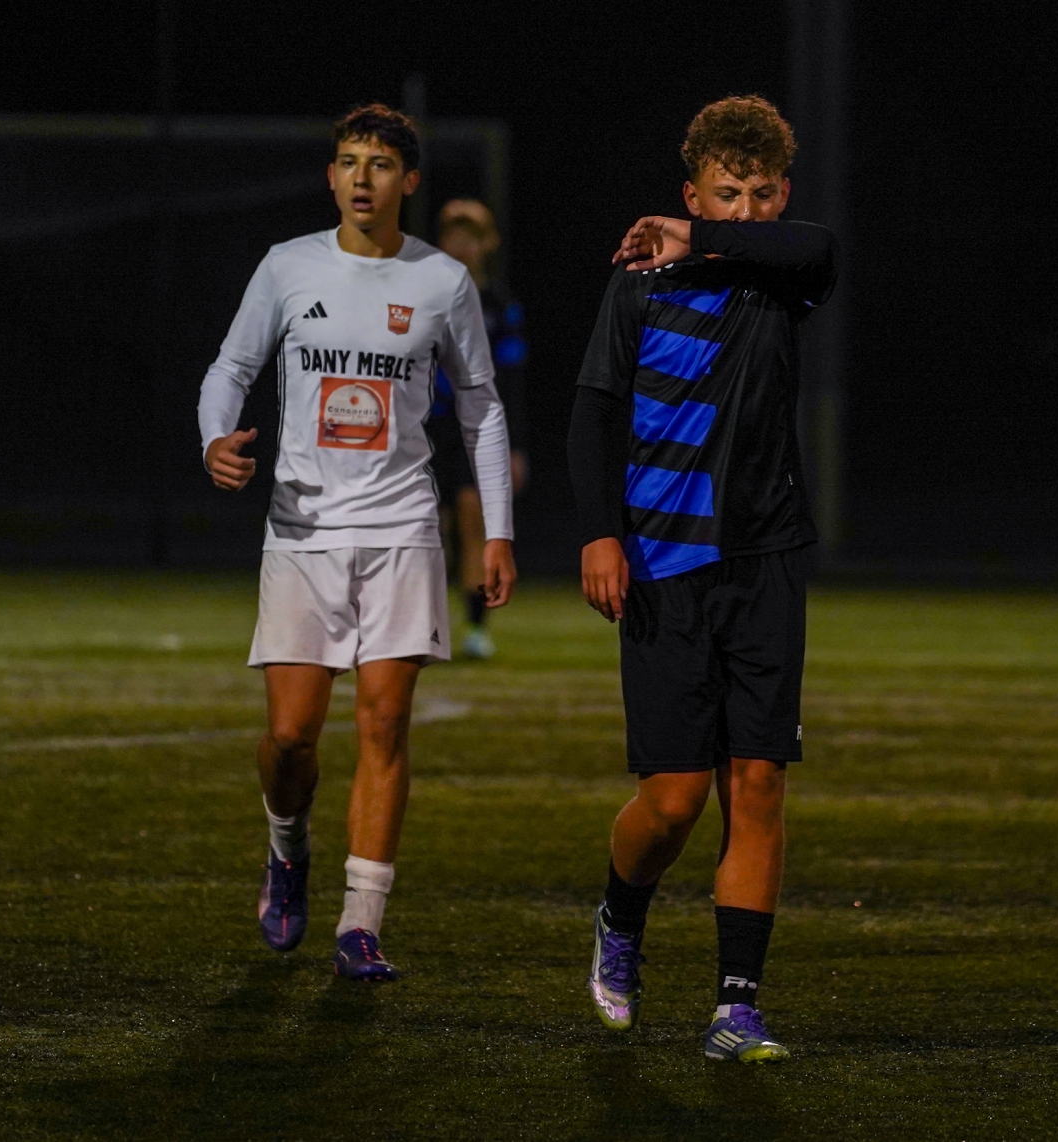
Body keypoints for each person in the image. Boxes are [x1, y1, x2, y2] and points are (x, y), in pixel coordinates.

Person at [197, 103, 516, 981]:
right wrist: (214, 438)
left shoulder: (443, 281)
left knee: (384, 722)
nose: (361, 178)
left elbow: (482, 407)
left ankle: (361, 924)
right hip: (303, 531)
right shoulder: (287, 266)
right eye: (348, 162)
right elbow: (231, 369)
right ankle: (286, 848)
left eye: (379, 164)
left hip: (403, 528)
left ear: (409, 180)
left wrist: (497, 530)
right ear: (331, 176)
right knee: (291, 738)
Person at [568, 95, 837, 1061]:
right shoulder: (641, 282)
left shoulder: (780, 276)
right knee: (676, 801)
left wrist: (707, 236)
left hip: (765, 557)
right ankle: (620, 916)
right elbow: (593, 414)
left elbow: (819, 249)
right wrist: (600, 537)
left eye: (762, 193)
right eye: (728, 193)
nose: (747, 209)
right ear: (692, 193)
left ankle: (736, 1006)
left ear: (782, 194)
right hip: (665, 561)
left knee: (756, 783)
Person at [427, 199, 529, 659]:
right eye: (454, 235)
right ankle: (427, 623)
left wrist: (515, 446)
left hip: (478, 430)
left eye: (471, 236)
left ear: (488, 243)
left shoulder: (499, 305)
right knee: (431, 527)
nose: (461, 245)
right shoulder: (425, 295)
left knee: (473, 520)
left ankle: (475, 627)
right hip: (429, 428)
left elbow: (512, 379)